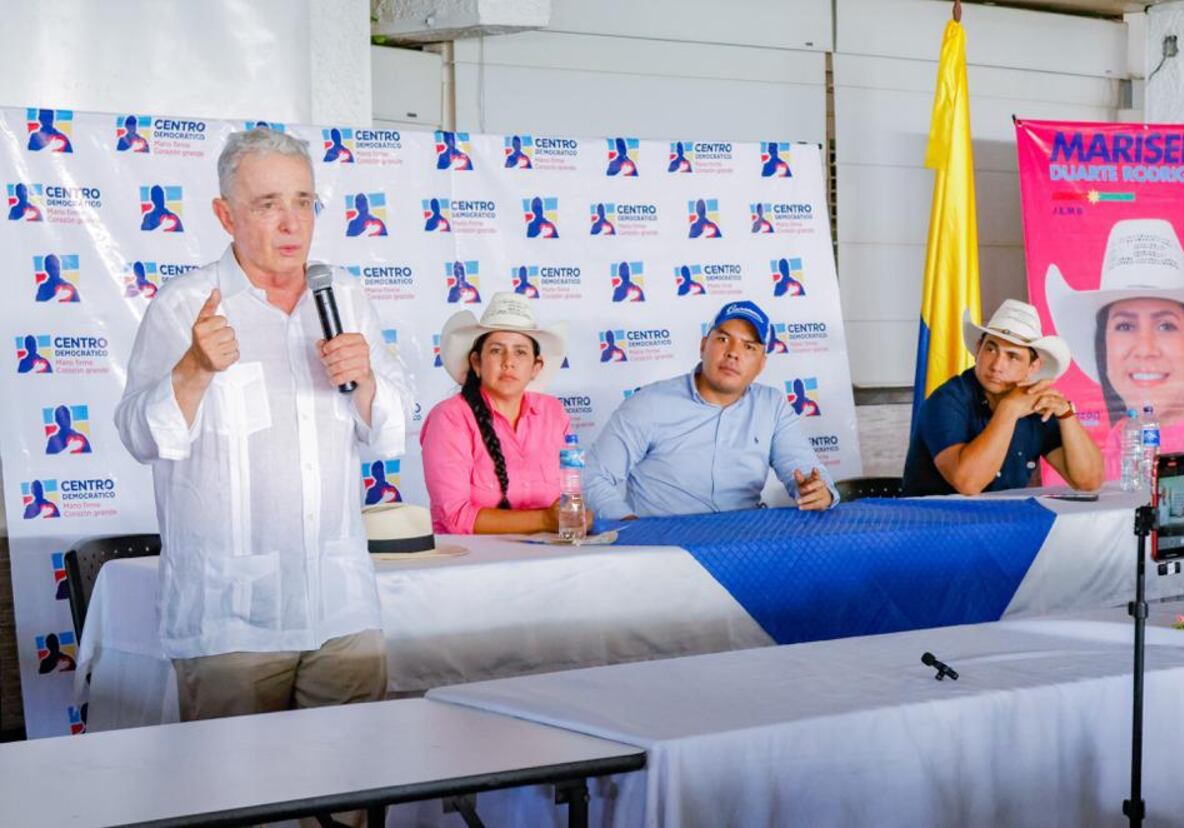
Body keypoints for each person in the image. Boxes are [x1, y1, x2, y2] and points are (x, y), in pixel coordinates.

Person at [115, 127, 411, 723]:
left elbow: (387, 436)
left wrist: (370, 383)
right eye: (268, 204)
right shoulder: (185, 305)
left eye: (303, 201)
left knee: (351, 793)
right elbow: (139, 437)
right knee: (245, 801)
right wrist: (194, 369)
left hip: (341, 607)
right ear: (225, 215)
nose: (291, 222)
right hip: (230, 619)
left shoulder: (345, 298)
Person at [1046, 218, 1184, 484]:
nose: (1144, 349)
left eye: (1166, 326)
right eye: (1125, 325)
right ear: (1103, 352)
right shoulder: (1078, 468)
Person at [585, 300, 838, 519]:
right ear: (703, 345)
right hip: (666, 548)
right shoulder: (649, 403)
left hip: (741, 543)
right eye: (723, 339)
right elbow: (593, 476)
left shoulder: (772, 406)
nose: (733, 354)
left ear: (761, 364)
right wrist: (629, 526)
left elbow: (804, 470)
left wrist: (819, 491)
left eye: (748, 347)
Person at [421, 292, 586, 535]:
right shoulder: (449, 418)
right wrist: (545, 520)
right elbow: (456, 517)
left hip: (549, 555)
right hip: (470, 562)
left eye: (520, 352)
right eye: (497, 351)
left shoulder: (554, 412)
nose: (509, 362)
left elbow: (571, 490)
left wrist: (575, 515)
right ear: (477, 363)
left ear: (536, 367)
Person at [902, 299, 1104, 496]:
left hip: (1001, 524)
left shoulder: (1034, 401)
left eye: (1013, 356)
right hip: (935, 524)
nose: (997, 365)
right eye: (991, 349)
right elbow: (969, 484)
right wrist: (1009, 409)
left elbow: (1089, 482)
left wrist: (1065, 414)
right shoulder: (947, 399)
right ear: (978, 349)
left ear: (1033, 368)